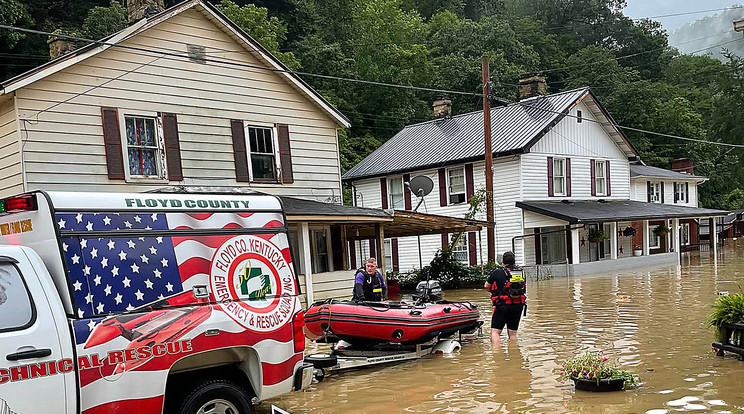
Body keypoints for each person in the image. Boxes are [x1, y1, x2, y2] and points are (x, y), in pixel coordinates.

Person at [484, 251, 526, 346]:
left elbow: (486, 286)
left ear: (503, 262)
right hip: (518, 305)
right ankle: (514, 353)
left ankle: (497, 355)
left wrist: (493, 293)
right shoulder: (521, 272)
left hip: (502, 304)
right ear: (514, 261)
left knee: (495, 332)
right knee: (513, 333)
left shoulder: (497, 272)